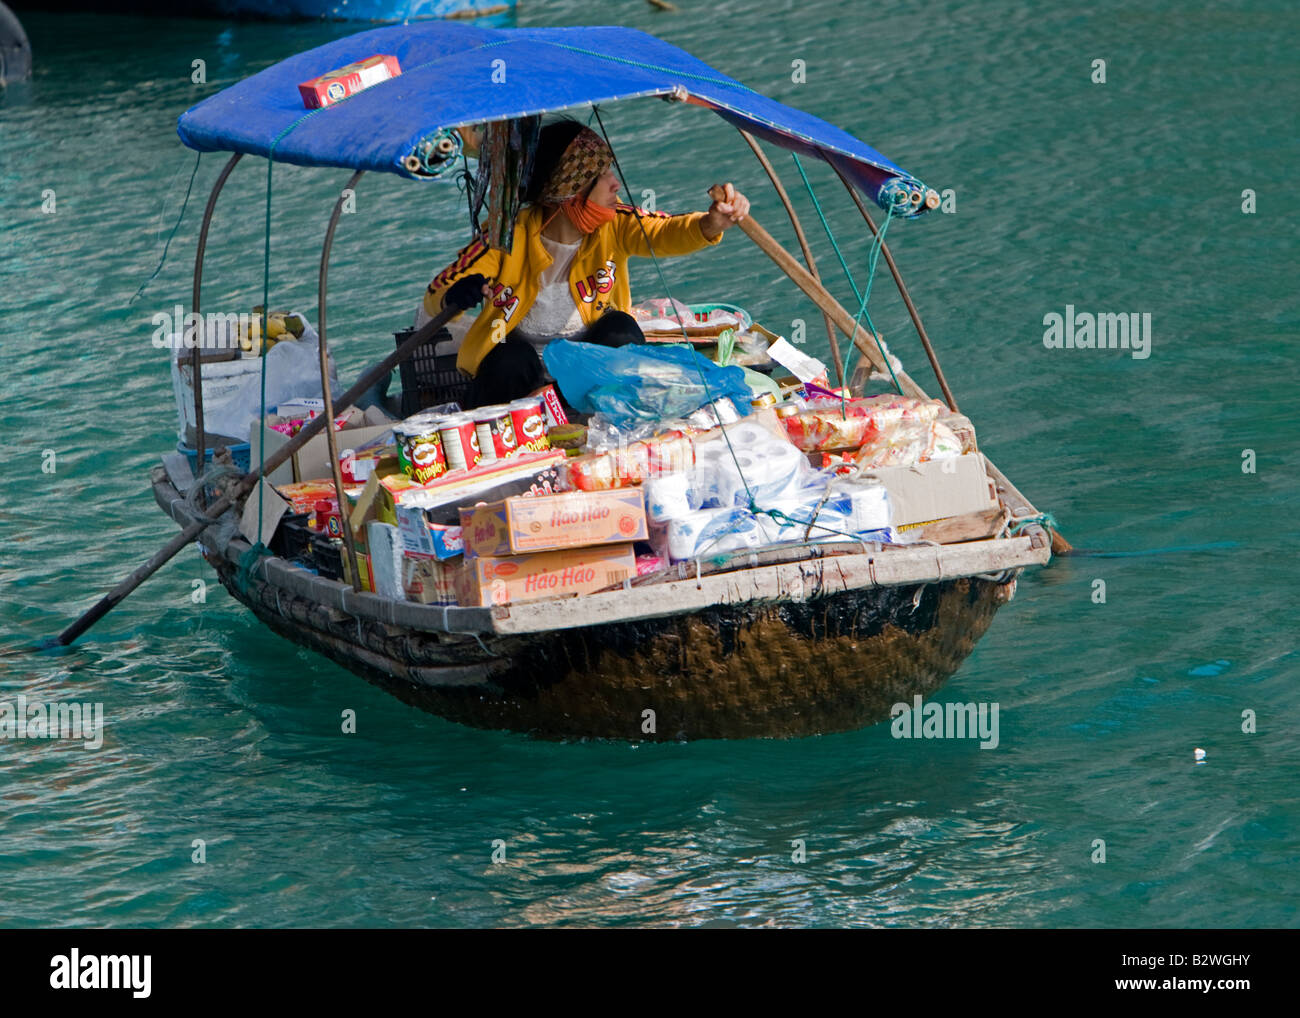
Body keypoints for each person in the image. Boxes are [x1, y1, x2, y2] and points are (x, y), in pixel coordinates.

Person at [423, 119, 751, 408]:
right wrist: (455, 295)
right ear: (570, 191)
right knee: (510, 359)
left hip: (589, 367)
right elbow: (439, 289)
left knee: (620, 328)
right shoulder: (506, 235)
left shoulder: (616, 223)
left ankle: (607, 415)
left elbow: (665, 231)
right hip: (524, 374)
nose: (615, 183)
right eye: (601, 174)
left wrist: (711, 225)